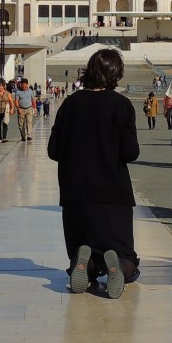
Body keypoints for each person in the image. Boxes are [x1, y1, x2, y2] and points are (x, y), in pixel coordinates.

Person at [47, 49, 140, 299]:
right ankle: (118, 266)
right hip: (113, 193)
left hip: (75, 193)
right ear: (116, 73)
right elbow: (131, 152)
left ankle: (84, 263)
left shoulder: (70, 103)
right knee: (125, 255)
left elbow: (53, 151)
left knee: (81, 246)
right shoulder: (121, 105)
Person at [14, 78, 37, 142]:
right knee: (21, 124)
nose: (24, 86)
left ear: (27, 84)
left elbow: (33, 100)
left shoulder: (30, 91)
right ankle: (23, 136)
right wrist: (18, 108)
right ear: (21, 85)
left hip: (29, 108)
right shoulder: (18, 92)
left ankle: (29, 135)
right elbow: (16, 101)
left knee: (29, 122)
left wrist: (35, 108)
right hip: (21, 109)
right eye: (22, 84)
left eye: (25, 84)